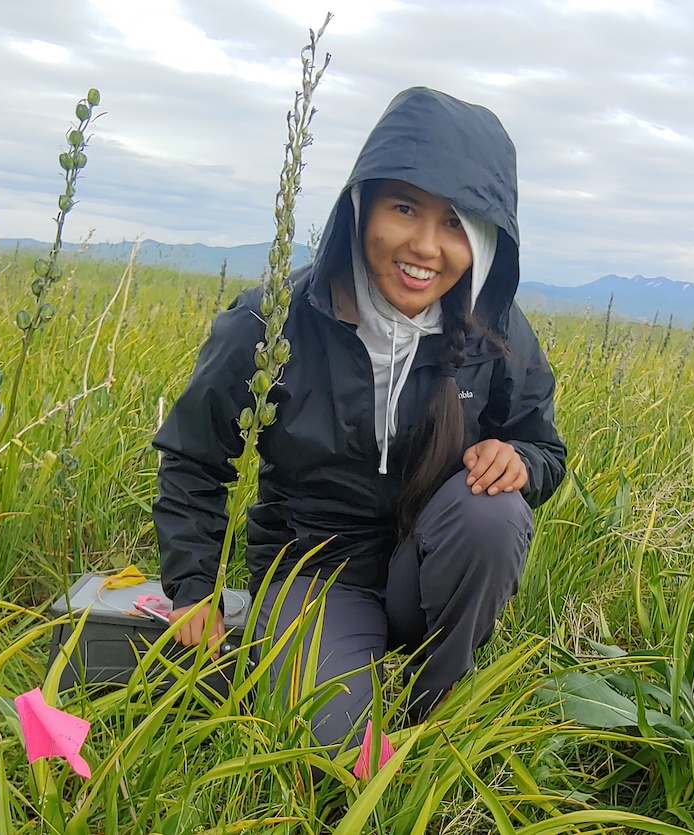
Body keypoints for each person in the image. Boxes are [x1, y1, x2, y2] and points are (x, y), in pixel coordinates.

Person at [153, 87, 566, 748]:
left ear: (485, 239)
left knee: (495, 510)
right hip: (312, 568)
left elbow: (543, 446)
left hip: (422, 567)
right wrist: (193, 587)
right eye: (405, 208)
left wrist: (521, 461)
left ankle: (433, 706)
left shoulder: (494, 332)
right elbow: (194, 455)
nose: (426, 246)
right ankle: (340, 695)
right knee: (333, 753)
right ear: (362, 205)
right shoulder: (272, 322)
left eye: (456, 223)